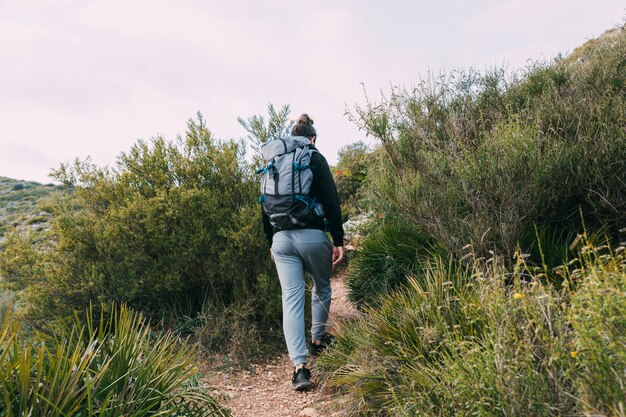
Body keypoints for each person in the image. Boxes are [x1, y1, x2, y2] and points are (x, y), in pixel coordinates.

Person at [262, 113, 344, 391]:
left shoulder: (276, 160)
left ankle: (300, 369)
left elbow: (265, 205)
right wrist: (338, 240)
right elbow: (331, 202)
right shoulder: (314, 157)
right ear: (312, 138)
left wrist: (271, 243)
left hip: (281, 240)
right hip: (312, 236)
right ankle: (318, 340)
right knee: (321, 286)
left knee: (291, 300)